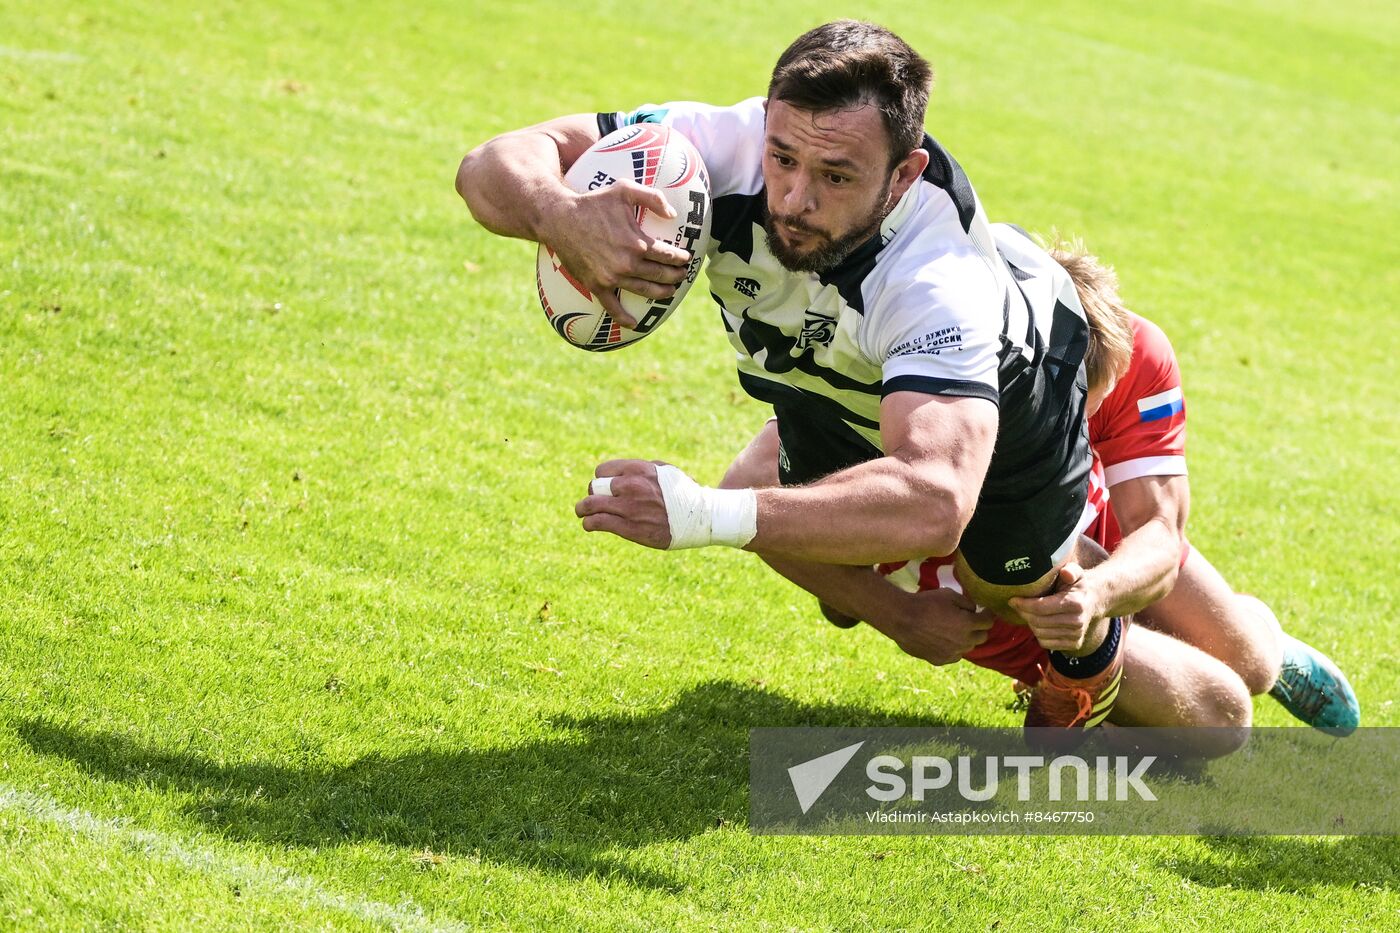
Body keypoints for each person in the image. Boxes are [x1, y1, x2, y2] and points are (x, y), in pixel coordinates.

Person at [457, 21, 1235, 746]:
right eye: (784, 157)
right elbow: (489, 165)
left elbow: (936, 498)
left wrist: (699, 513)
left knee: (1008, 582)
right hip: (827, 380)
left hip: (1018, 386)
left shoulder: (937, 278)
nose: (794, 198)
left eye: (835, 175)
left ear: (904, 175)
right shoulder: (712, 146)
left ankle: (1097, 644)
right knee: (835, 560)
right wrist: (560, 213)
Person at [745, 227, 1358, 736]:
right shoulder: (936, 362)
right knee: (1223, 718)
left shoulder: (1132, 349)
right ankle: (1078, 682)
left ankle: (1261, 643)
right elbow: (748, 486)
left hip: (1093, 536)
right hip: (990, 583)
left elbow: (1160, 533)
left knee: (1248, 661)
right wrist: (889, 612)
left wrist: (1097, 593)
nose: (1066, 436)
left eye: (1081, 414)